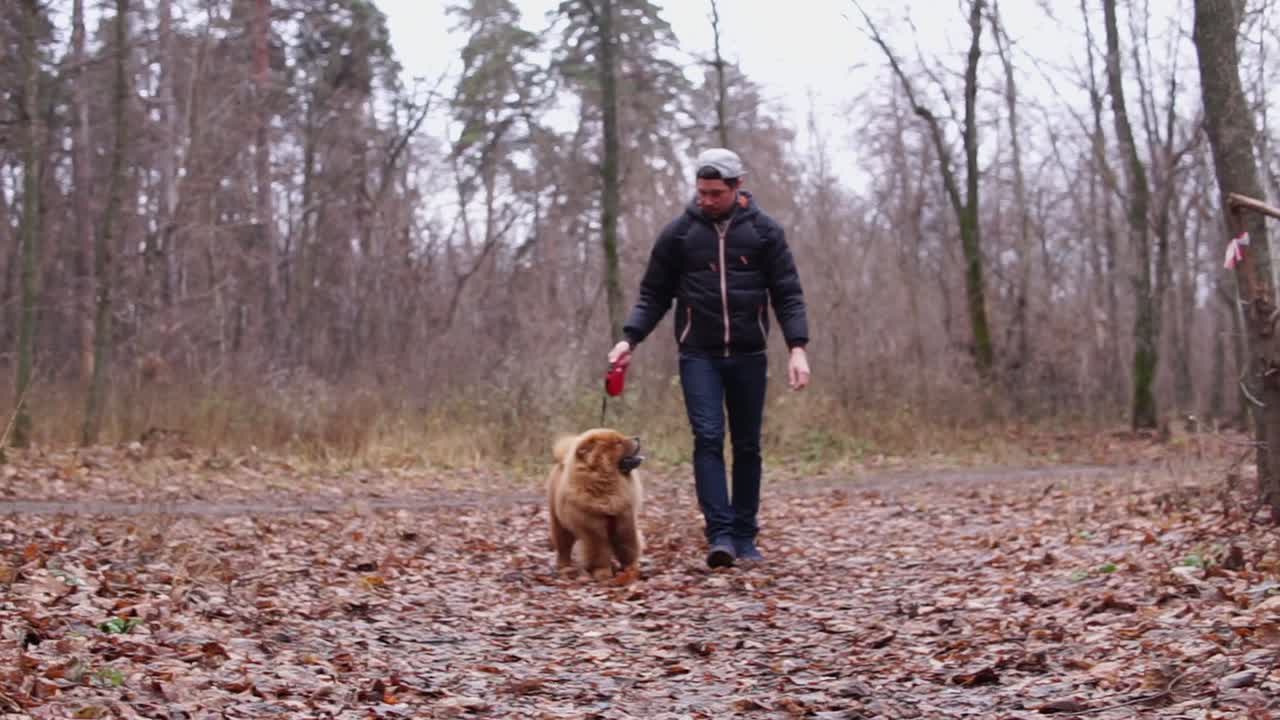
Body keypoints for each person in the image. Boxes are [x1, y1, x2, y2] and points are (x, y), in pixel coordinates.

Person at [607, 147, 810, 568]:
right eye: (701, 192)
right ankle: (719, 535)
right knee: (708, 437)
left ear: (738, 188)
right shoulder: (679, 235)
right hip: (698, 353)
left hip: (750, 352)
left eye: (715, 193)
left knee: (748, 445)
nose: (706, 200)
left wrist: (797, 348)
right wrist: (631, 339)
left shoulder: (765, 233)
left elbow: (787, 293)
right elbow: (654, 294)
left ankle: (745, 535)